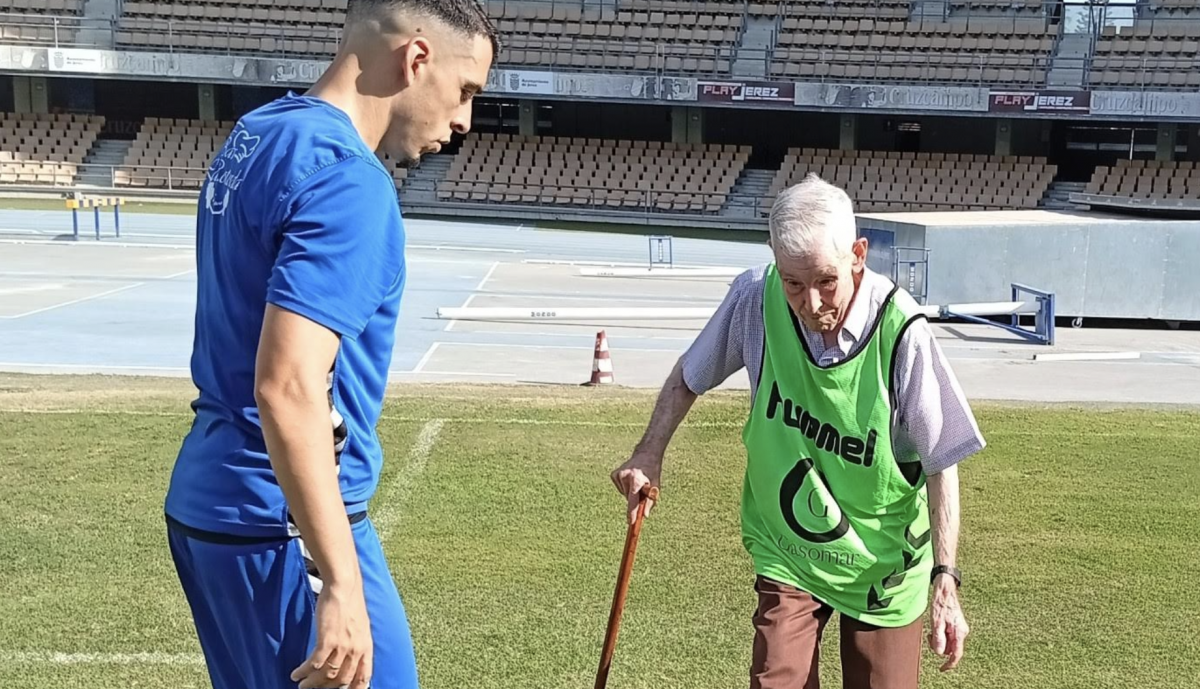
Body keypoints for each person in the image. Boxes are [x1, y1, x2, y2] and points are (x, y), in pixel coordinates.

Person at [163, 2, 497, 688]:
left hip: (215, 501)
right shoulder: (350, 182)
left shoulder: (259, 133)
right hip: (283, 521)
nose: (464, 121)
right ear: (417, 58)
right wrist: (339, 581)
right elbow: (287, 385)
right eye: (466, 92)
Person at [611, 174, 983, 689]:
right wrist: (648, 453)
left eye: (826, 281)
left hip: (883, 563)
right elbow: (687, 377)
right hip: (790, 547)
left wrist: (946, 580)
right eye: (793, 283)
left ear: (858, 254)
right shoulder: (755, 300)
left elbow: (942, 459)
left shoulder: (902, 331)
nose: (810, 303)